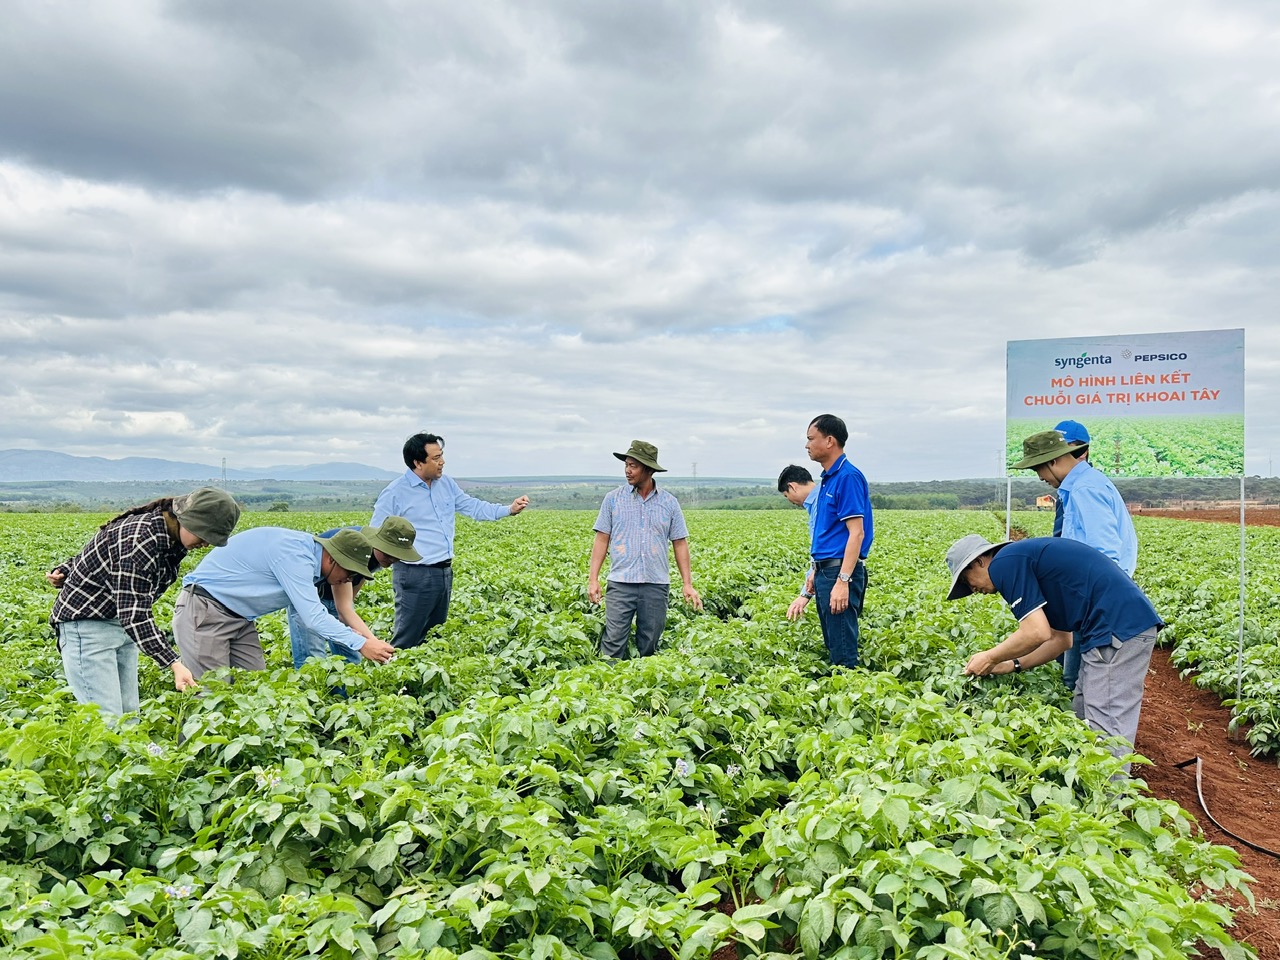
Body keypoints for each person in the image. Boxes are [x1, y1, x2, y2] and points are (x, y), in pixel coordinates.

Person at [946, 534, 1162, 773]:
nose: (973, 589)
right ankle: (1091, 789)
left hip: (1118, 627)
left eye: (967, 581)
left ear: (979, 561)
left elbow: (1035, 632)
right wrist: (1011, 665)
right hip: (1112, 626)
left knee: (1106, 723)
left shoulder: (1004, 562)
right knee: (1083, 710)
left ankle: (1108, 804)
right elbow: (1060, 640)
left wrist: (990, 656)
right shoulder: (1024, 560)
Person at [46, 487, 241, 716]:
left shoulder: (169, 537)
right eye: (205, 535)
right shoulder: (140, 539)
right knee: (106, 721)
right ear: (187, 520)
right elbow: (134, 614)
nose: (205, 543)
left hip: (120, 626)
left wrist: (67, 569)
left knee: (129, 717)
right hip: (87, 627)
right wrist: (174, 663)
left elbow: (103, 554)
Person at [371, 432, 529, 649]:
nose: (442, 462)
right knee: (407, 638)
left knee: (436, 636)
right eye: (436, 458)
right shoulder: (394, 493)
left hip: (443, 572)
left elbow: (472, 506)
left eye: (441, 456)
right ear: (418, 462)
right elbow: (376, 534)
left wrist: (508, 510)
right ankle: (397, 679)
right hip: (414, 574)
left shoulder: (446, 484)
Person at [173, 527, 396, 679]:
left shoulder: (315, 558)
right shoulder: (296, 556)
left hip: (240, 618)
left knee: (254, 686)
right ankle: (190, 748)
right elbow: (314, 617)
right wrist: (361, 644)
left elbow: (341, 610)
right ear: (332, 559)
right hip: (205, 609)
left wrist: (369, 640)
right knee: (210, 693)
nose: (349, 580)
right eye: (349, 572)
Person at [1013, 426, 1139, 692]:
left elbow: (1104, 554)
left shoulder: (1085, 489)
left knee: (1087, 683)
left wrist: (1085, 604)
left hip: (1097, 602)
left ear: (1054, 460)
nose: (1040, 478)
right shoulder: (1079, 486)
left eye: (1038, 469)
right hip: (1092, 600)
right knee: (1079, 680)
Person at [588, 440, 703, 659]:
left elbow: (680, 542)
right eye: (626, 465)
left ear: (648, 469)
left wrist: (687, 584)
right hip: (621, 583)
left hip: (655, 585)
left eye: (633, 466)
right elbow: (602, 539)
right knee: (613, 643)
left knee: (649, 643)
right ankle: (608, 689)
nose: (627, 470)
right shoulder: (613, 500)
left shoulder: (669, 503)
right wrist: (593, 579)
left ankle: (643, 689)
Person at [288, 517, 422, 667]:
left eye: (396, 557)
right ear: (378, 543)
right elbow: (344, 608)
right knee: (312, 659)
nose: (391, 560)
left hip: (334, 596)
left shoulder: (378, 557)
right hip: (307, 596)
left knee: (350, 658)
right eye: (388, 554)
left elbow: (349, 598)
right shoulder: (356, 545)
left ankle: (341, 691)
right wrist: (372, 642)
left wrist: (362, 639)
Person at [802, 414, 874, 668]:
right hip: (826, 570)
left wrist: (843, 580)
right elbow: (830, 533)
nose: (807, 445)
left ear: (829, 440)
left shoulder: (847, 477)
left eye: (811, 439)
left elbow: (857, 533)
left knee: (842, 650)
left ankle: (848, 694)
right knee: (834, 643)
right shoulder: (828, 479)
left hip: (839, 572)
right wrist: (815, 570)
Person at [777, 465, 820, 621]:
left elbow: (824, 547)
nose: (790, 501)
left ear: (792, 487)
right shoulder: (823, 496)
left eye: (786, 495)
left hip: (833, 575)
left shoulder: (821, 503)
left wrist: (805, 594)